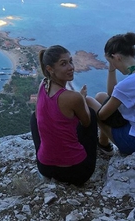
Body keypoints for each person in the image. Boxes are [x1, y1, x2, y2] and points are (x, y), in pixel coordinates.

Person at [30, 45, 98, 186]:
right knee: (90, 113)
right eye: (63, 64)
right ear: (50, 69)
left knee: (34, 117)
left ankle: (48, 156)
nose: (71, 67)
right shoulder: (73, 97)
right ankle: (104, 147)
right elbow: (86, 123)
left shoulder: (43, 85)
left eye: (70, 61)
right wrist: (82, 99)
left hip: (45, 168)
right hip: (76, 173)